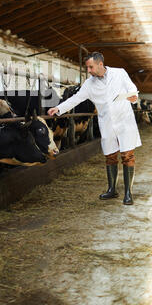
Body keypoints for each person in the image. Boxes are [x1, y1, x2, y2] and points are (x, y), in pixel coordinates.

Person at [48, 52, 141, 205]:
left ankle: (128, 193)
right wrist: (58, 109)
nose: (89, 70)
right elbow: (75, 99)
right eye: (87, 68)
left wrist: (134, 97)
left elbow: (132, 88)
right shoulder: (89, 84)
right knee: (110, 156)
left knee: (127, 155)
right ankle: (112, 190)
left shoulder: (119, 73)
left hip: (125, 120)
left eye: (91, 67)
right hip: (107, 123)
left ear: (100, 64)